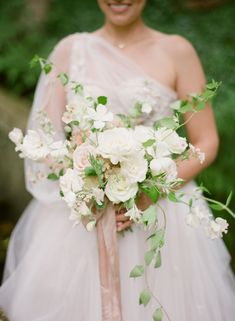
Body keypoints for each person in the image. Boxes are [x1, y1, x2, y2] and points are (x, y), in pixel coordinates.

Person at [0, 0, 234, 320]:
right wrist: (86, 181)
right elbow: (45, 140)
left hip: (162, 215)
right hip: (82, 217)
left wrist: (153, 190)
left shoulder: (177, 51)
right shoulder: (70, 51)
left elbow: (207, 140)